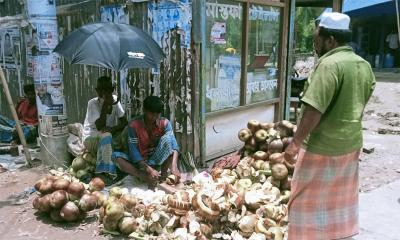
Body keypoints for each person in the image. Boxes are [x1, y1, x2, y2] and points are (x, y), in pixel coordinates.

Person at [284, 12, 375, 240]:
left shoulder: (328, 65)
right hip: (351, 144)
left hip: (322, 147)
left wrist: (295, 143)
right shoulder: (363, 65)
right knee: (338, 203)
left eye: (316, 38)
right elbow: (360, 102)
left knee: (302, 204)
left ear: (330, 40)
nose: (314, 44)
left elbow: (314, 109)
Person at [112, 96, 181, 188]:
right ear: (144, 110)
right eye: (152, 114)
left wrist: (174, 166)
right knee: (116, 157)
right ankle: (143, 176)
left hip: (155, 160)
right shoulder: (134, 125)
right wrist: (149, 170)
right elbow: (133, 152)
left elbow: (174, 146)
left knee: (169, 140)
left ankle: (163, 176)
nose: (154, 117)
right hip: (140, 162)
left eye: (157, 114)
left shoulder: (165, 123)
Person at [82, 76, 127, 183]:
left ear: (111, 90)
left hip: (108, 134)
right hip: (91, 137)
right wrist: (105, 104)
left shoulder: (115, 100)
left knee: (127, 131)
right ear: (98, 91)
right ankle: (105, 172)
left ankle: (127, 166)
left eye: (108, 90)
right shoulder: (92, 103)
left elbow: (124, 122)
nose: (106, 93)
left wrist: (113, 128)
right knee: (106, 136)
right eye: (102, 90)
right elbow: (99, 126)